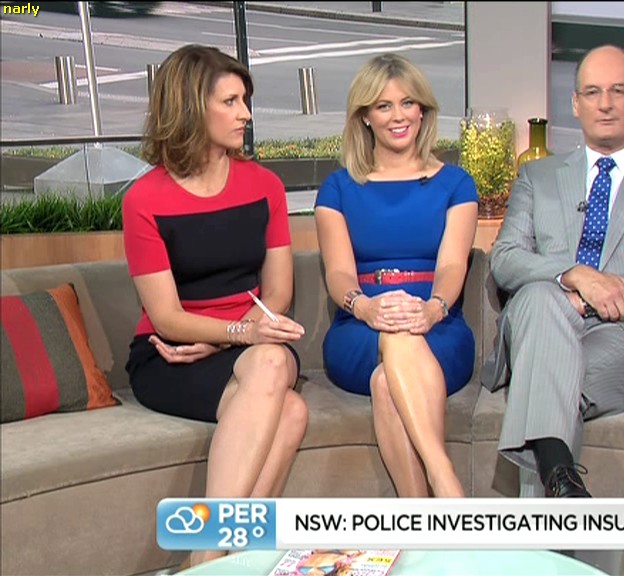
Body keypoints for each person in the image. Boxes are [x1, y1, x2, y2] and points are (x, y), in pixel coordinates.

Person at [484, 44, 624, 498]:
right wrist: (573, 274)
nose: (605, 104)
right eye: (592, 92)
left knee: (545, 378)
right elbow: (505, 258)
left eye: (618, 91)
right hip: (543, 317)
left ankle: (555, 487)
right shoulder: (537, 177)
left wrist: (594, 295)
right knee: (541, 299)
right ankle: (562, 488)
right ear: (575, 103)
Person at [122, 45, 308, 568]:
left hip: (249, 341)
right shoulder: (144, 199)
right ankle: (221, 560)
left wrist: (231, 337)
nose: (245, 114)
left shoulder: (264, 186)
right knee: (289, 407)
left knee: (272, 367)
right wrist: (231, 336)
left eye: (245, 100)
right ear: (189, 108)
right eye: (230, 102)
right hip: (171, 354)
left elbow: (277, 294)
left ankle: (208, 559)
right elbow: (166, 317)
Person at [314, 53, 478, 498]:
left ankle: (421, 513)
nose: (399, 116)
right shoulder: (339, 188)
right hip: (360, 327)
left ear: (423, 110)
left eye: (408, 103)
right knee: (394, 337)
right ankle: (445, 479)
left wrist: (433, 309)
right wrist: (365, 307)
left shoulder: (456, 184)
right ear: (365, 116)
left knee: (388, 382)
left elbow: (452, 265)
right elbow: (339, 271)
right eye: (384, 106)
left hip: (439, 325)